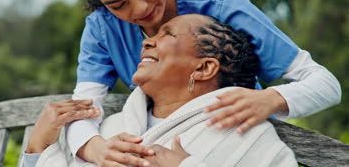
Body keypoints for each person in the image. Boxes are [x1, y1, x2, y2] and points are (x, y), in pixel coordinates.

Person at [63, 0, 341, 167]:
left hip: (234, 149)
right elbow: (82, 108)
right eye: (118, 5)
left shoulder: (222, 8)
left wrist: (270, 99)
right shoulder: (102, 28)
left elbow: (325, 84)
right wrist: (96, 148)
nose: (139, 9)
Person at [22, 14, 298, 167]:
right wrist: (38, 149)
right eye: (151, 37)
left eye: (167, 35)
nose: (147, 43)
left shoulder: (248, 137)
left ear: (203, 69)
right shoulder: (112, 128)